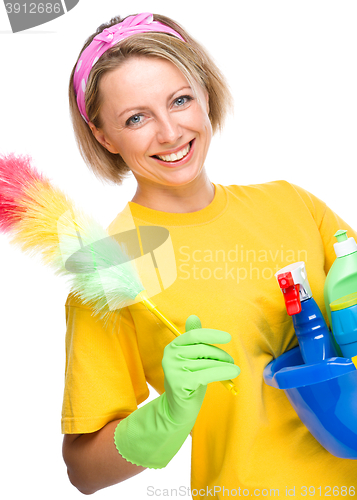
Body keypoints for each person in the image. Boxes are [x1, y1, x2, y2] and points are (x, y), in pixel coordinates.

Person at [62, 12, 357, 498]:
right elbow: (83, 471)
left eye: (179, 100)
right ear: (103, 135)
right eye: (136, 118)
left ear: (203, 93)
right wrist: (168, 412)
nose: (169, 132)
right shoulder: (110, 266)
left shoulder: (292, 203)